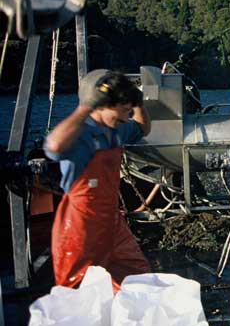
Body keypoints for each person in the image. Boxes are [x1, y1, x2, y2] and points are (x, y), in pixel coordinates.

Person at [45, 69, 151, 292]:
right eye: (125, 102)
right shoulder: (79, 134)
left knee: (140, 281)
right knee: (78, 291)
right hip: (80, 228)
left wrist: (139, 104)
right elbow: (53, 147)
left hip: (112, 223)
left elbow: (142, 128)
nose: (129, 107)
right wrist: (86, 107)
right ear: (102, 102)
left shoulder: (116, 131)